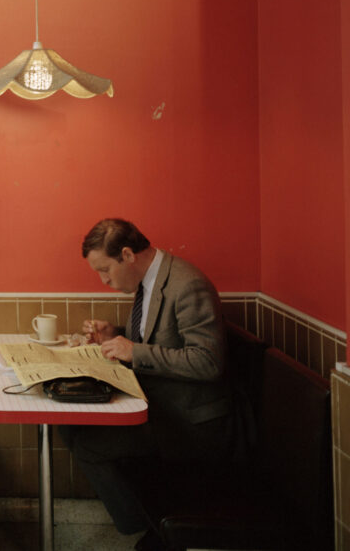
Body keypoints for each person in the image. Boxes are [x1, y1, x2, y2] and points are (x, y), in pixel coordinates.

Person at [60, 218, 238, 549]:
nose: (103, 280)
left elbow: (207, 362)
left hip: (192, 423)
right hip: (162, 406)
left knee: (88, 444)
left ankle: (148, 529)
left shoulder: (187, 285)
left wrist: (134, 351)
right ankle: (149, 523)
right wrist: (116, 335)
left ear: (127, 254)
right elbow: (159, 338)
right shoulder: (150, 281)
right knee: (70, 426)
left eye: (105, 270)